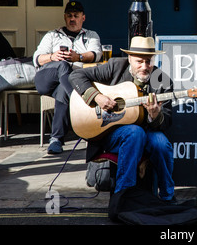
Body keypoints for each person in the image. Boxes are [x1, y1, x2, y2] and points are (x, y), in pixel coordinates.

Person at [68, 36, 175, 202]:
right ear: (130, 58)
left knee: (161, 144)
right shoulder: (116, 66)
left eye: (149, 61)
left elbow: (167, 121)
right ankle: (123, 197)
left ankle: (168, 197)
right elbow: (76, 76)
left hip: (148, 132)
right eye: (139, 61)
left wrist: (155, 115)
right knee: (134, 132)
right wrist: (97, 97)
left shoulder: (163, 81)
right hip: (112, 133)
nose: (145, 67)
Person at [33, 1, 102, 154]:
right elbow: (36, 59)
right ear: (65, 17)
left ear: (83, 18)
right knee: (63, 65)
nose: (72, 19)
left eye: (76, 16)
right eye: (69, 16)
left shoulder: (91, 35)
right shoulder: (52, 35)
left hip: (69, 82)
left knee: (62, 91)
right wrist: (53, 56)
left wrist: (79, 57)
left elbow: (96, 55)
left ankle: (56, 139)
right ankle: (80, 103)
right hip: (46, 79)